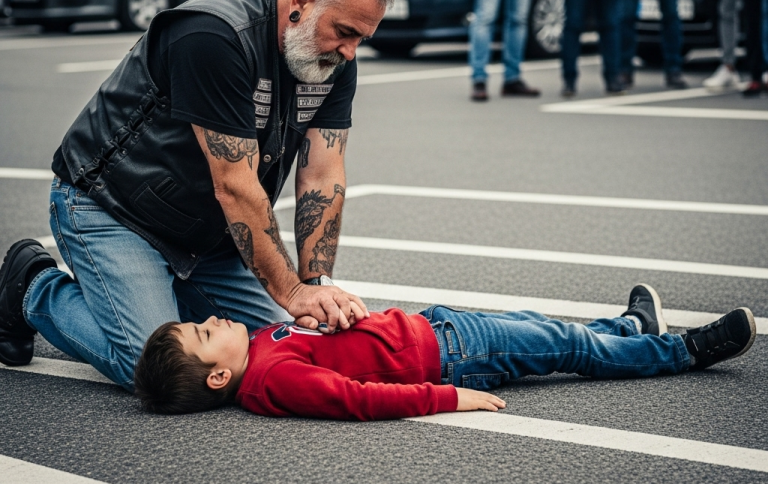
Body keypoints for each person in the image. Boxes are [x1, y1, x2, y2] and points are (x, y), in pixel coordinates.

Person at [0, 0, 395, 390]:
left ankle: (156, 300)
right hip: (115, 211)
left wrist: (315, 281)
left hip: (208, 237)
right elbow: (235, 184)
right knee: (159, 366)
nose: (350, 51)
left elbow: (322, 174)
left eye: (361, 38)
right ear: (301, 1)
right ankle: (33, 286)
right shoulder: (214, 34)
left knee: (272, 348)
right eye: (345, 31)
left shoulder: (333, 61)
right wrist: (290, 293)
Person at [133, 284, 756, 418]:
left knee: (547, 328)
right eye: (204, 332)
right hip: (455, 358)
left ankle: (626, 328)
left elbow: (338, 346)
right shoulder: (271, 383)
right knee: (566, 348)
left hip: (437, 328)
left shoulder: (262, 349)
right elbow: (357, 398)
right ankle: (686, 350)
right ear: (218, 378)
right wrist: (450, 397)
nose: (212, 318)